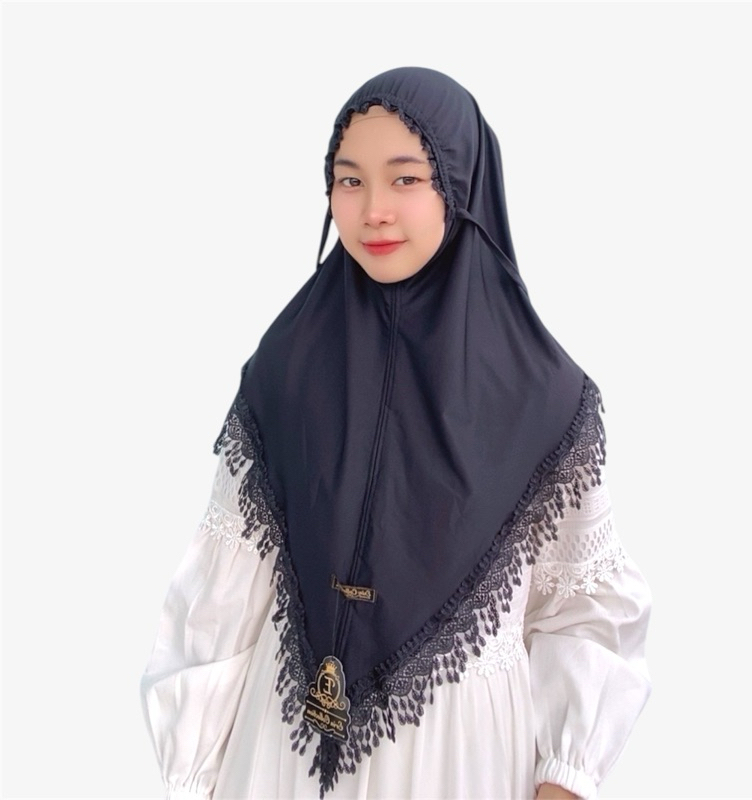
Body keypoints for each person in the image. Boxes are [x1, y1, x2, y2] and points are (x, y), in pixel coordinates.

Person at [141, 66, 652, 800]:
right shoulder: (285, 367)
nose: (374, 210)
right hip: (283, 754)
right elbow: (223, 595)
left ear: (461, 184)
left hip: (460, 759)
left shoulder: (543, 397)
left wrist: (566, 776)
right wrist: (191, 775)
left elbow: (586, 610)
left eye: (406, 179)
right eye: (349, 181)